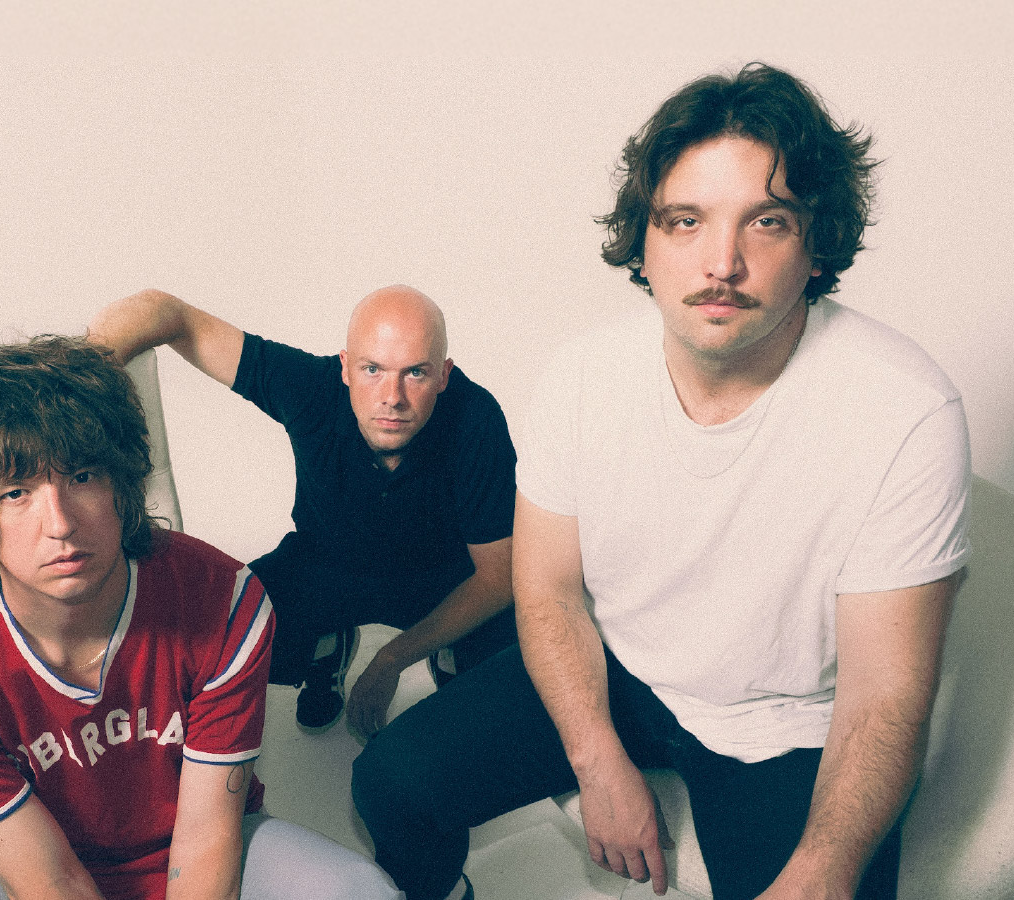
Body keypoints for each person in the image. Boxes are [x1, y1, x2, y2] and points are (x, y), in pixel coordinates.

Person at [352, 62, 970, 900]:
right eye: (686, 221)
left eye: (767, 222)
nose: (722, 262)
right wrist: (595, 757)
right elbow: (548, 589)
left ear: (815, 242)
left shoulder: (903, 411)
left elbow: (884, 694)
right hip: (624, 664)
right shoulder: (582, 379)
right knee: (391, 783)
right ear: (643, 240)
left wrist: (822, 872)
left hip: (787, 726)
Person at [0, 335, 403, 900]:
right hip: (46, 869)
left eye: (82, 477)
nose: (60, 524)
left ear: (123, 485)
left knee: (360, 892)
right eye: (16, 492)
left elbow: (206, 838)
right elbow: (52, 880)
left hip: (202, 845)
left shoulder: (223, 602)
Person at [86, 285, 517, 735]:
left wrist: (392, 659)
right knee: (215, 633)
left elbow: (497, 576)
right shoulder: (312, 387)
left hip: (440, 581)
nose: (392, 397)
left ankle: (448, 653)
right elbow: (169, 314)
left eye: (416, 373)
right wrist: (78, 380)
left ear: (444, 375)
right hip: (327, 568)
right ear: (345, 367)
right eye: (372, 370)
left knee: (512, 665)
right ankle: (325, 647)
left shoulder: (475, 417)